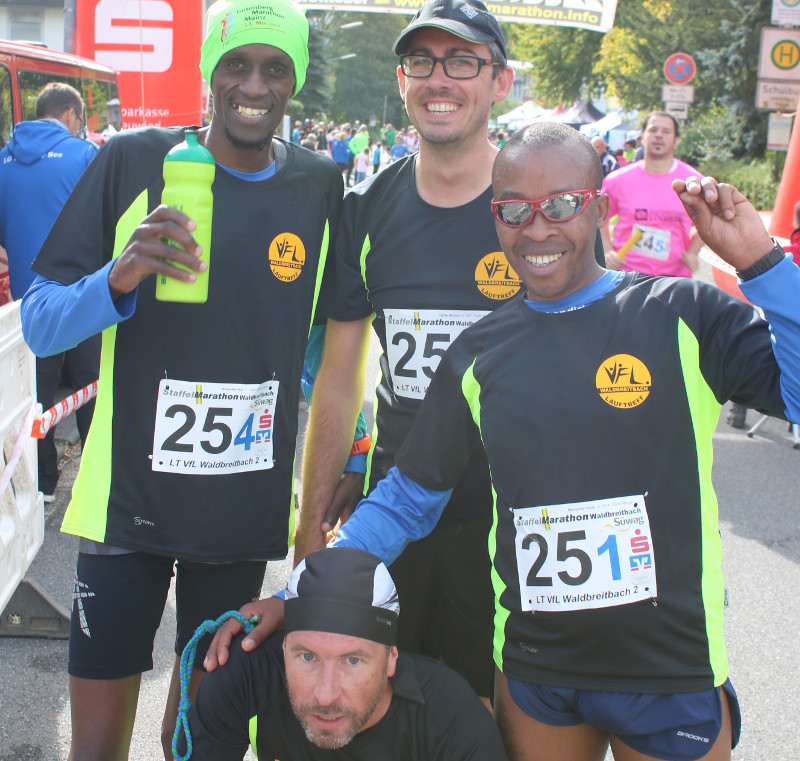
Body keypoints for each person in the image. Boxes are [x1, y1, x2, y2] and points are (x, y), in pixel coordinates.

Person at [211, 124, 800, 761]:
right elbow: (406, 499)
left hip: (667, 663)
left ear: (599, 207)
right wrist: (296, 592)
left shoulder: (680, 312)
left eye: (563, 204)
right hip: (536, 668)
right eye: (516, 210)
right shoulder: (479, 353)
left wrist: (762, 262)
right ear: (496, 222)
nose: (539, 228)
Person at [20, 1, 343, 759]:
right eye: (236, 63)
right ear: (209, 72)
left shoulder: (319, 187)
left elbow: (332, 351)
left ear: (294, 81)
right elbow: (39, 322)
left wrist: (335, 480)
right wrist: (118, 277)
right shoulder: (133, 160)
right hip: (125, 505)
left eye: (275, 67)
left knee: (201, 742)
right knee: (95, 748)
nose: (254, 84)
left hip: (239, 511)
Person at [292, 0, 516, 708]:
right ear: (401, 80)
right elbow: (339, 377)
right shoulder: (367, 205)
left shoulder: (534, 202)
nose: (439, 79)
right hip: (396, 512)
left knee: (498, 725)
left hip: (512, 521)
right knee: (388, 717)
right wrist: (308, 529)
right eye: (422, 62)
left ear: (500, 81)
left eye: (462, 61)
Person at [181, 547, 508, 760]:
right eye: (307, 657)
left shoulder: (453, 723)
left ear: (392, 658)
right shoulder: (244, 677)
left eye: (352, 661)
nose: (325, 695)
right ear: (283, 648)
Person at [0, 82, 99, 502]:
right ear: (72, 116)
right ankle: (96, 481)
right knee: (92, 389)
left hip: (24, 305)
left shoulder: (3, 157)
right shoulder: (84, 154)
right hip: (79, 296)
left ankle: (40, 486)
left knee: (35, 398)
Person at [601, 112, 702, 278]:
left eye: (666, 131)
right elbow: (598, 219)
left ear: (676, 140)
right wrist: (607, 250)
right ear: (643, 136)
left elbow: (707, 222)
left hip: (675, 280)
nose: (658, 136)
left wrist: (693, 251)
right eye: (653, 130)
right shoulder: (617, 181)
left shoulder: (692, 182)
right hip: (628, 277)